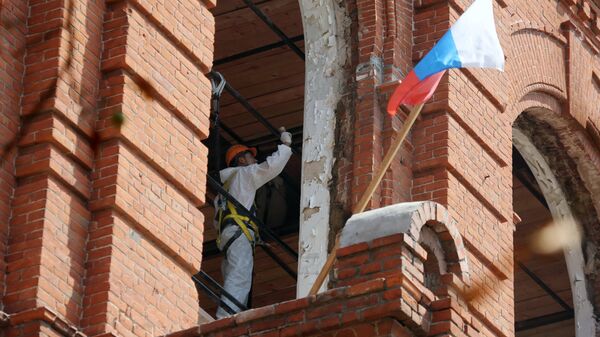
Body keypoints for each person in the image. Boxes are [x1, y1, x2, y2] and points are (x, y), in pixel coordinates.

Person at [214, 128, 292, 318]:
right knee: (239, 276)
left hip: (227, 236)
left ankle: (230, 313)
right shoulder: (244, 175)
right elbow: (269, 167)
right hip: (238, 235)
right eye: (251, 157)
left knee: (233, 276)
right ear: (241, 160)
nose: (254, 160)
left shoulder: (224, 188)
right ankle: (226, 317)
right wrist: (285, 146)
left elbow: (217, 222)